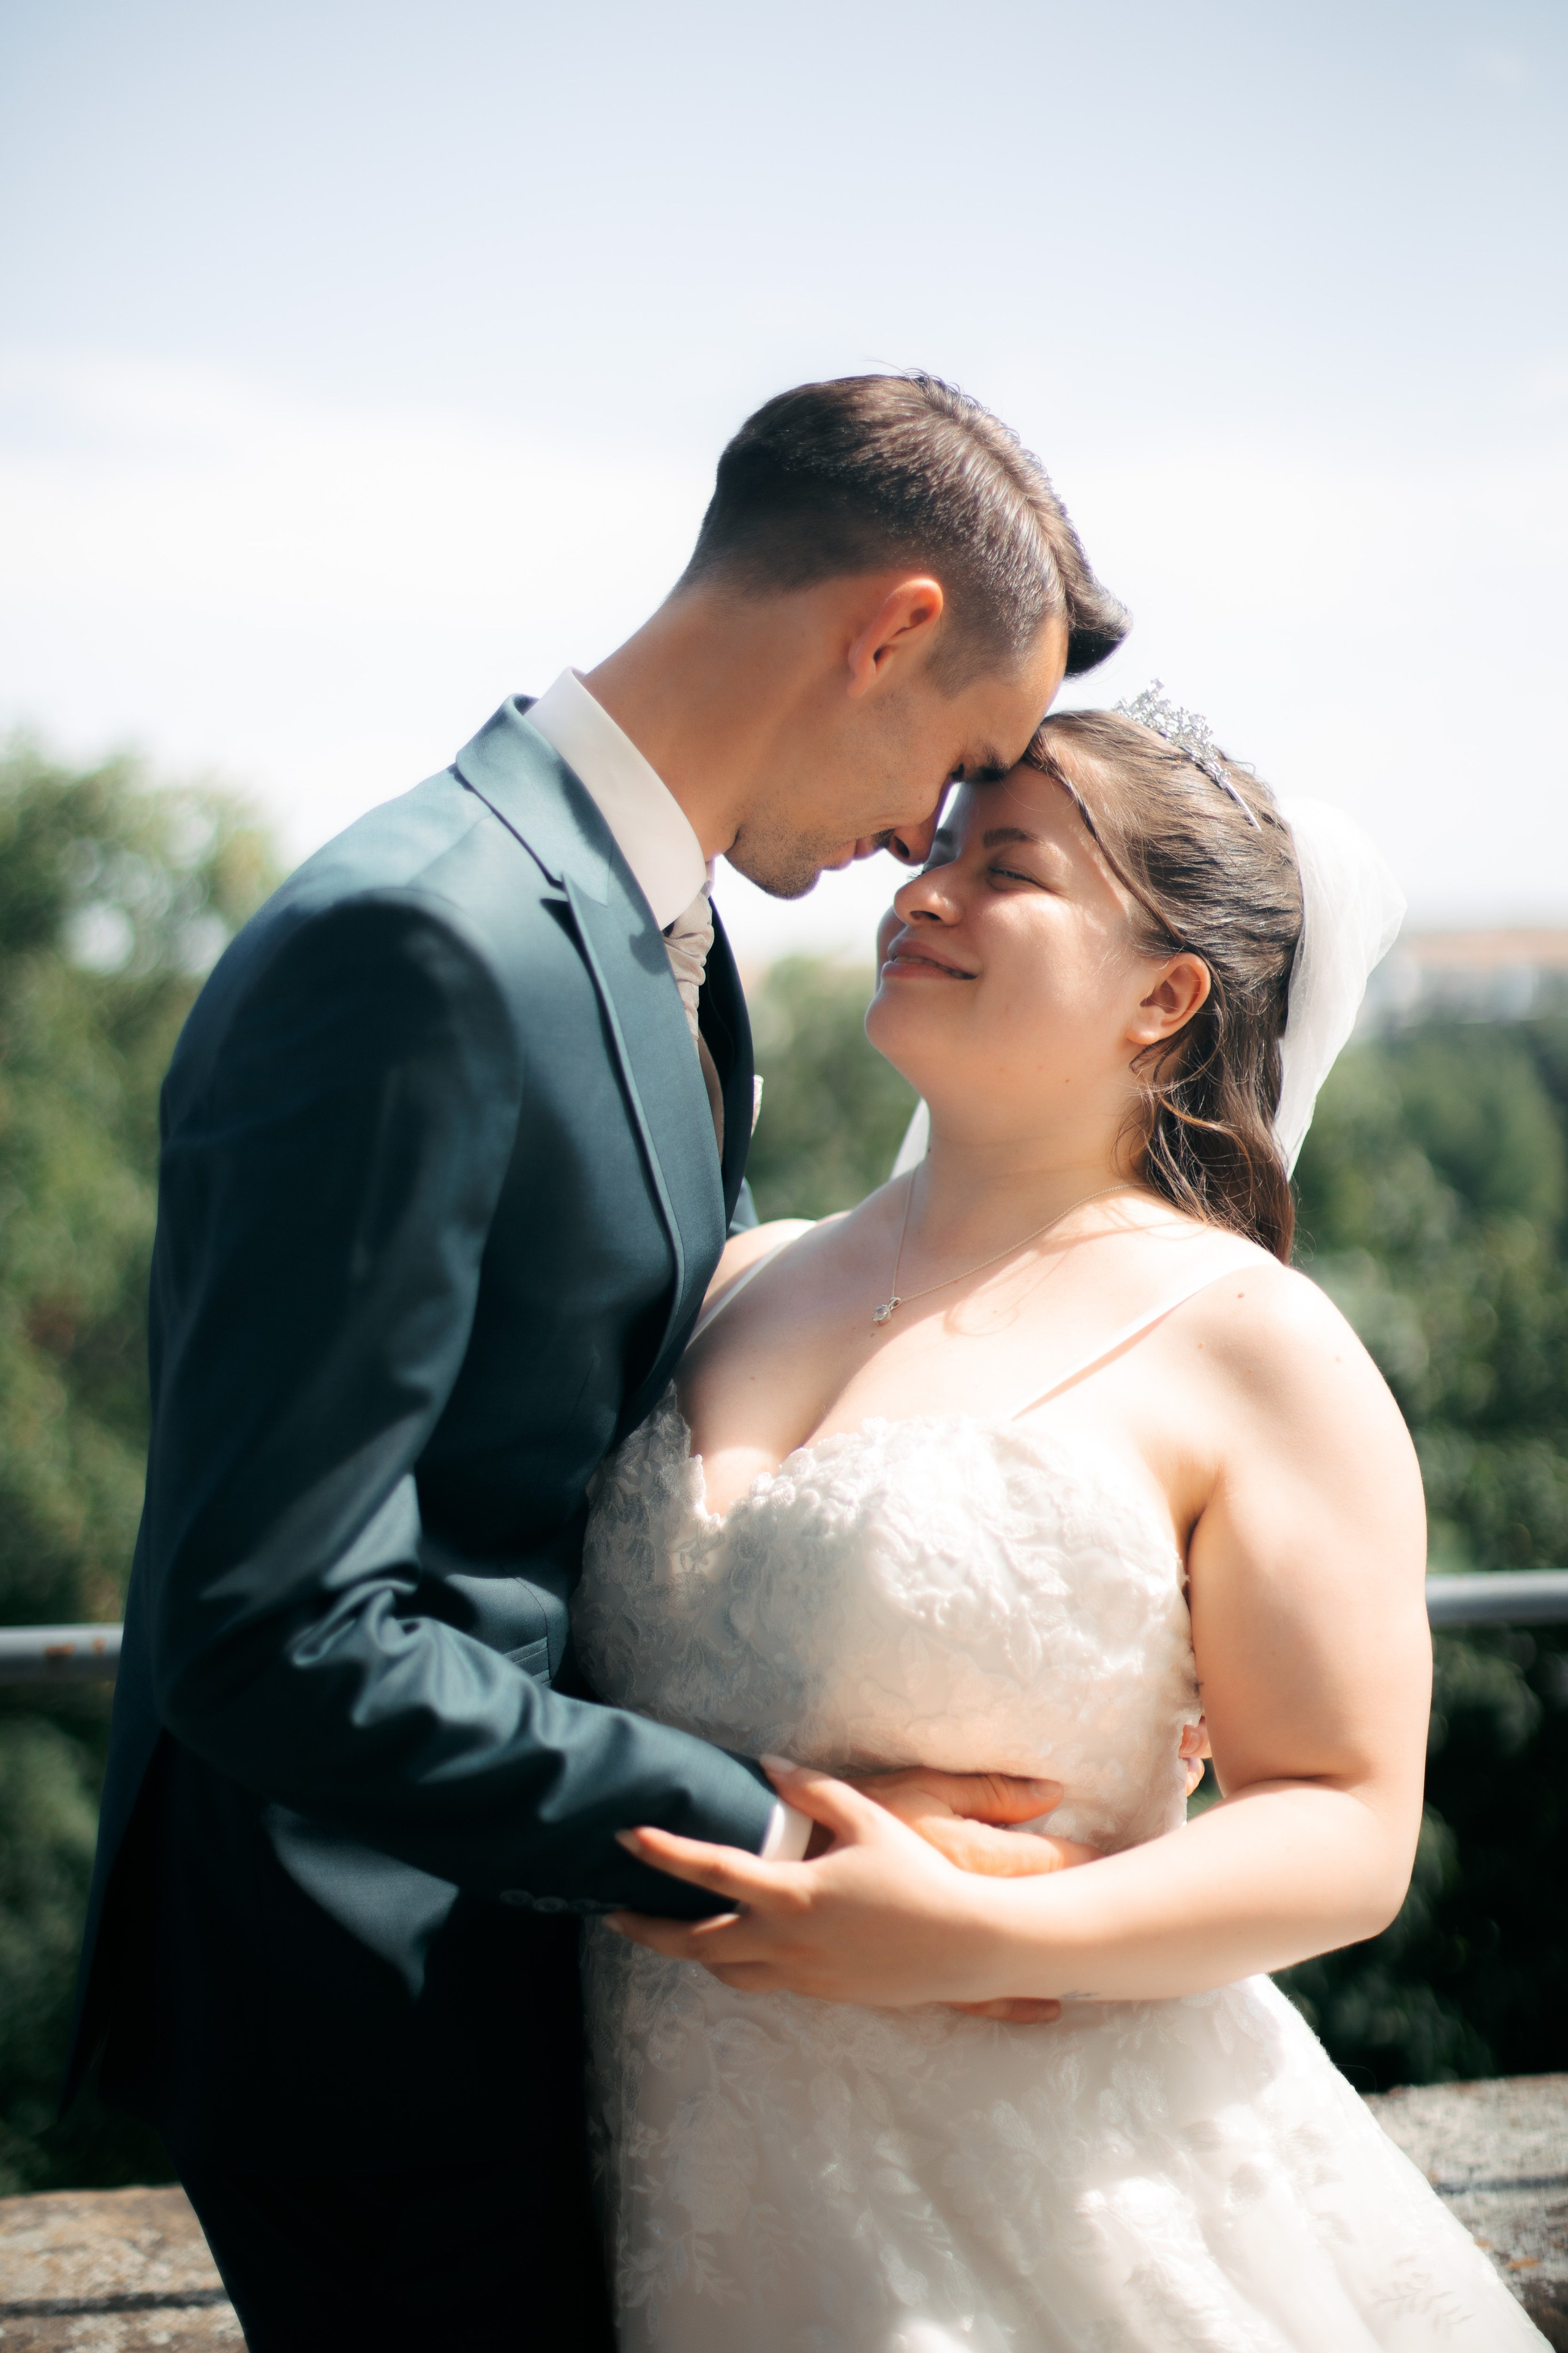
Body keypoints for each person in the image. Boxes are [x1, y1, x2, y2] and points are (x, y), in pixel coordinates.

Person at [64, 374, 1129, 2351]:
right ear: (886, 628)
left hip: (522, 1958)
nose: (931, 831)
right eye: (963, 758)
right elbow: (266, 1627)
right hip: (368, 1999)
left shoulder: (665, 940)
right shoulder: (419, 941)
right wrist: (775, 1826)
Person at [578, 695, 1547, 2348]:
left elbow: (1346, 1822)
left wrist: (980, 1930)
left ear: (1165, 997)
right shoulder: (732, 1275)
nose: (923, 888)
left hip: (1050, 2224)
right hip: (672, 2200)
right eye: (939, 845)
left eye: (1003, 866)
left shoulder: (1252, 1343)